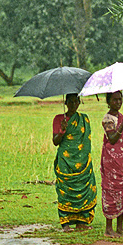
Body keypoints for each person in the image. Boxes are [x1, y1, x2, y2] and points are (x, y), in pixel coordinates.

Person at [52, 93, 97, 232]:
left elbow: (86, 141)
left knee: (85, 188)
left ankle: (81, 222)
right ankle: (65, 224)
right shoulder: (59, 119)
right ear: (65, 103)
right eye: (70, 102)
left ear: (79, 102)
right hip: (65, 161)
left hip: (82, 160)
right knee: (65, 191)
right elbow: (55, 142)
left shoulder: (84, 119)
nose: (73, 104)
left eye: (76, 101)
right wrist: (62, 130)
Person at [100, 91, 123, 238]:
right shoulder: (107, 118)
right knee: (111, 192)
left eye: (120, 99)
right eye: (114, 100)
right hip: (111, 162)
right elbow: (113, 138)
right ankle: (109, 228)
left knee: (122, 192)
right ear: (108, 101)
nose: (118, 102)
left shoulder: (121, 117)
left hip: (122, 162)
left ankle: (119, 227)